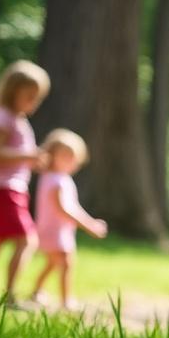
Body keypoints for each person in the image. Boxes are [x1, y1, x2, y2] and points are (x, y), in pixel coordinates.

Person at [0, 60, 50, 304]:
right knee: (27, 240)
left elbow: (7, 154)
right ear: (12, 91)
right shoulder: (3, 118)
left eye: (37, 98)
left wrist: (30, 161)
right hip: (1, 188)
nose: (33, 103)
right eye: (30, 96)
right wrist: (30, 155)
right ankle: (10, 295)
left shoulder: (14, 119)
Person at [29, 130, 108, 311]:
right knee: (66, 263)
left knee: (53, 263)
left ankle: (37, 290)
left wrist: (88, 222)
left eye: (73, 157)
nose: (69, 161)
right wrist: (89, 225)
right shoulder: (56, 181)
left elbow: (71, 207)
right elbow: (64, 209)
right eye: (64, 155)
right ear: (51, 155)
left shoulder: (55, 178)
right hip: (54, 231)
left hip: (57, 230)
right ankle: (66, 301)